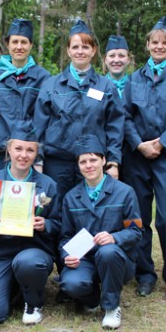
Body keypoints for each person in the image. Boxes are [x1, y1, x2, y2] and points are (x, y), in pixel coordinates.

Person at [122, 17, 166, 299]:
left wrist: (162, 143)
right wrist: (139, 144)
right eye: (155, 42)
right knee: (138, 220)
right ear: (148, 45)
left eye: (165, 42)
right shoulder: (133, 79)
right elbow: (124, 116)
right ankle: (145, 274)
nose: (159, 46)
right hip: (137, 157)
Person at [0, 124, 61, 325]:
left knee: (27, 263)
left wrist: (45, 224)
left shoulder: (47, 185)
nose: (23, 155)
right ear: (8, 150)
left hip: (34, 250)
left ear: (36, 154)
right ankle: (13, 288)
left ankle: (33, 302)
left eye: (30, 150)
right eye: (18, 149)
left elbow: (59, 223)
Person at [59, 135, 142, 329]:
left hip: (117, 259)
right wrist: (66, 255)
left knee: (108, 251)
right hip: (86, 260)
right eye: (83, 161)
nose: (89, 165)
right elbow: (65, 236)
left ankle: (111, 307)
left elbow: (136, 231)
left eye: (93, 160)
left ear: (104, 161)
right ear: (78, 165)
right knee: (70, 284)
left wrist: (114, 237)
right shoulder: (71, 197)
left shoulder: (125, 192)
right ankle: (93, 299)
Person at [34, 20, 124, 198]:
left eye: (85, 46)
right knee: (54, 211)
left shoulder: (106, 87)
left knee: (91, 213)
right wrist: (38, 160)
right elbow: (39, 126)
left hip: (93, 164)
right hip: (57, 164)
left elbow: (115, 127)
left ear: (93, 51)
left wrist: (113, 162)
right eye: (75, 47)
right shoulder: (51, 85)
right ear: (68, 51)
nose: (80, 51)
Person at [0, 18, 51, 172]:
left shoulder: (44, 78)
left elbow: (44, 121)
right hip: (0, 154)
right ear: (7, 45)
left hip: (29, 155)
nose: (19, 47)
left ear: (31, 45)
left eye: (24, 42)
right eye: (15, 42)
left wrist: (39, 158)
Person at [103, 35, 132, 100]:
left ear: (128, 60)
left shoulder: (136, 87)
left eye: (121, 56)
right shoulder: (97, 87)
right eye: (112, 56)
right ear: (105, 60)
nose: (116, 60)